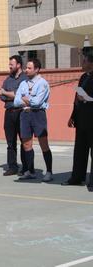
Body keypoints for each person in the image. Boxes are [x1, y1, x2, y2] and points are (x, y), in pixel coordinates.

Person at [14, 58, 53, 182]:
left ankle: (49, 171)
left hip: (38, 114)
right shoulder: (23, 83)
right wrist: (28, 100)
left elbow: (37, 102)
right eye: (26, 67)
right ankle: (30, 171)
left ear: (37, 69)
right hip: (25, 114)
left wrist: (26, 99)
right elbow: (16, 101)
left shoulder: (43, 83)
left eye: (29, 68)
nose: (26, 70)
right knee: (26, 144)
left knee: (43, 143)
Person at [62, 48, 93, 190]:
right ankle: (77, 177)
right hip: (81, 119)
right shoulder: (83, 77)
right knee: (79, 150)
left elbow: (85, 98)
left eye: (85, 60)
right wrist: (73, 116)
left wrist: (86, 98)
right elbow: (77, 99)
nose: (83, 62)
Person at [0, 55, 28, 176]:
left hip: (21, 112)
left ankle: (25, 167)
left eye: (12, 64)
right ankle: (12, 166)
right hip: (9, 113)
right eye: (9, 64)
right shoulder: (8, 79)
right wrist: (11, 95)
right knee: (10, 142)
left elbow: (20, 95)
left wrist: (7, 93)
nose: (9, 66)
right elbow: (1, 95)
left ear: (19, 65)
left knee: (24, 141)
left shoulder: (25, 79)